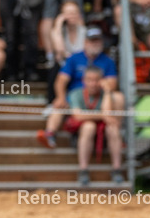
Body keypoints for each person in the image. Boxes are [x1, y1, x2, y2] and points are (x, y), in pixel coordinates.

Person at [37, 27, 125, 182]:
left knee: (117, 99)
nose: (95, 43)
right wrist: (61, 97)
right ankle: (50, 133)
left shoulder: (107, 61)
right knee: (60, 104)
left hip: (98, 98)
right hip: (77, 99)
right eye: (92, 40)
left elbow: (111, 84)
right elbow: (61, 81)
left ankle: (117, 159)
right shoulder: (74, 59)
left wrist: (104, 91)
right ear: (85, 42)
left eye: (97, 40)